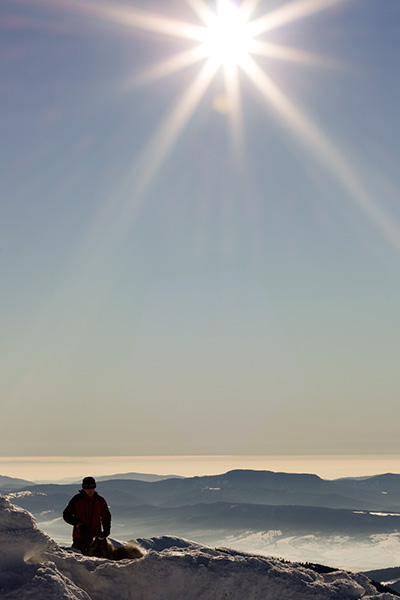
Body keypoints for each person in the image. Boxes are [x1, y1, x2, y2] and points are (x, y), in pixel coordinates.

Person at [63, 476, 111, 554]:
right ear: (83, 488)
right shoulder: (76, 500)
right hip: (79, 537)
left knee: (99, 563)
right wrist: (78, 524)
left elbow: (106, 517)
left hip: (96, 538)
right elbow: (66, 515)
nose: (90, 490)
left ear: (95, 487)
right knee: (79, 563)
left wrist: (106, 530)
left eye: (92, 488)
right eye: (87, 488)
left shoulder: (100, 501)